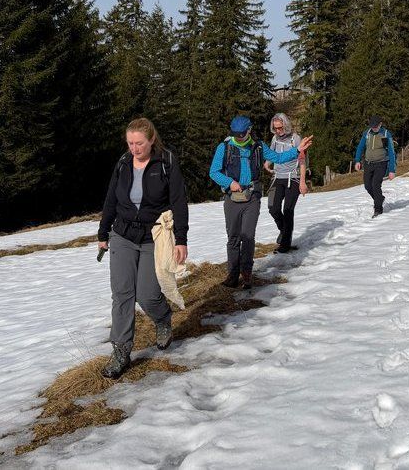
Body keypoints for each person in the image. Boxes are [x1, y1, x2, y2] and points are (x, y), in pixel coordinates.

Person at [97, 118, 189, 379]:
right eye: (130, 143)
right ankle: (121, 351)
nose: (134, 148)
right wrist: (103, 233)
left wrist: (181, 239)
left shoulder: (166, 162)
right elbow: (111, 198)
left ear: (151, 140)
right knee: (122, 293)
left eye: (139, 143)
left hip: (153, 236)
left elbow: (179, 202)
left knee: (147, 295)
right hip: (123, 234)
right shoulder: (124, 163)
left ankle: (162, 318)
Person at [210, 115, 313, 289]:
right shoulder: (224, 147)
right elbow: (214, 172)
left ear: (249, 131)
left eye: (242, 134)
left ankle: (247, 274)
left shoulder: (258, 146)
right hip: (232, 198)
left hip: (252, 197)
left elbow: (278, 158)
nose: (239, 138)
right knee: (233, 237)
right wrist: (229, 183)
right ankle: (233, 274)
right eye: (236, 135)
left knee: (248, 236)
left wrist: (297, 150)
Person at [264, 113, 308, 254]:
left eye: (280, 128)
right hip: (277, 177)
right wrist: (267, 163)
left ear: (286, 125)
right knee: (273, 207)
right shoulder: (275, 138)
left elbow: (302, 161)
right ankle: (284, 231)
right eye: (275, 128)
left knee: (288, 211)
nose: (278, 131)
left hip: (293, 178)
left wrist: (302, 182)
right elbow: (271, 153)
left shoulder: (296, 139)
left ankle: (285, 244)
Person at [353, 117, 397, 218]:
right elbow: (360, 147)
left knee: (376, 185)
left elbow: (391, 152)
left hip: (381, 164)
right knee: (368, 186)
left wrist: (392, 170)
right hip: (368, 163)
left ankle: (378, 209)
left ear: (380, 124)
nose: (374, 128)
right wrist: (357, 160)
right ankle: (380, 199)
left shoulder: (385, 134)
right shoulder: (367, 133)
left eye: (376, 126)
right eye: (372, 126)